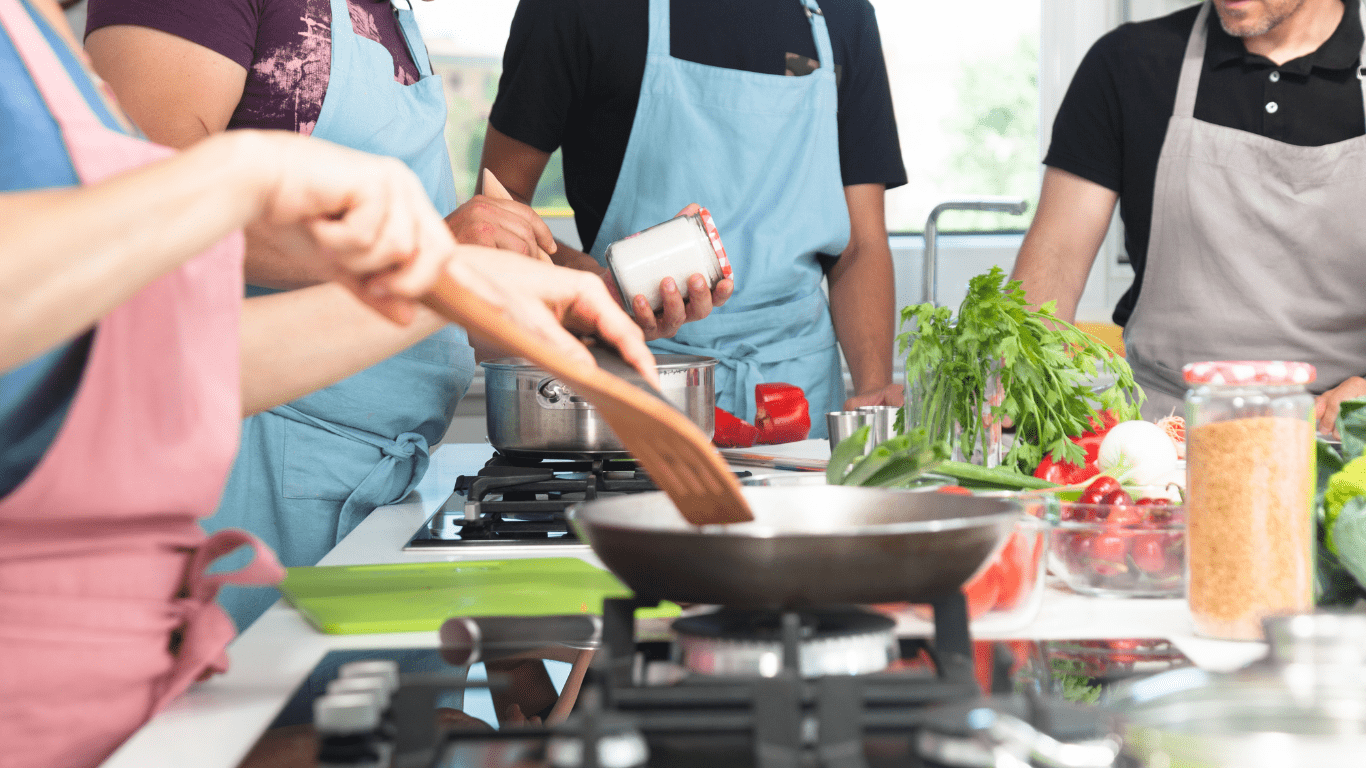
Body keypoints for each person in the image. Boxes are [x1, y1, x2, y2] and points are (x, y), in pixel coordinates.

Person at [0, 1, 653, 763]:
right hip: (215, 524)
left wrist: (452, 279)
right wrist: (240, 180)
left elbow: (166, 359)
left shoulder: (39, 40)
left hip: (181, 635)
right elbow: (135, 289)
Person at [79, 0, 604, 628]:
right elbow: (148, 209)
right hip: (250, 470)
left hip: (378, 484)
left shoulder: (391, 16)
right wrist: (425, 255)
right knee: (244, 722)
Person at [481, 0, 908, 438]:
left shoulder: (843, 14)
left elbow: (859, 246)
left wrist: (873, 389)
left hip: (800, 404)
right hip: (644, 385)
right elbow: (498, 206)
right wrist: (592, 287)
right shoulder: (573, 8)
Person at [1011, 0, 1366, 432]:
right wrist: (1017, 383)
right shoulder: (1128, 62)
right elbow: (1057, 254)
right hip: (1161, 441)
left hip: (1337, 447)